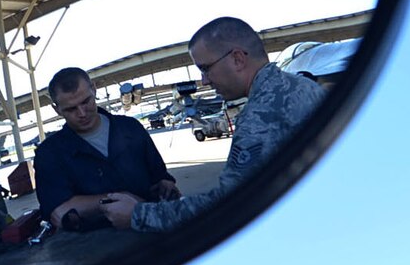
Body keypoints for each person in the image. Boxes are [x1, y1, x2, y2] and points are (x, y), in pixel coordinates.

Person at [101, 16, 326, 232]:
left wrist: (138, 215)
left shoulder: (259, 116)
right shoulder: (302, 86)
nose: (204, 81)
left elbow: (229, 207)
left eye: (206, 68)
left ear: (237, 59)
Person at [34, 67, 179, 230]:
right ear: (57, 109)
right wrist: (119, 199)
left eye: (86, 101)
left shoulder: (131, 128)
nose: (82, 113)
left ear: (94, 90)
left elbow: (159, 175)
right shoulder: (49, 154)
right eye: (71, 109)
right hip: (97, 247)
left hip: (152, 231)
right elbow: (59, 212)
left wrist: (165, 185)